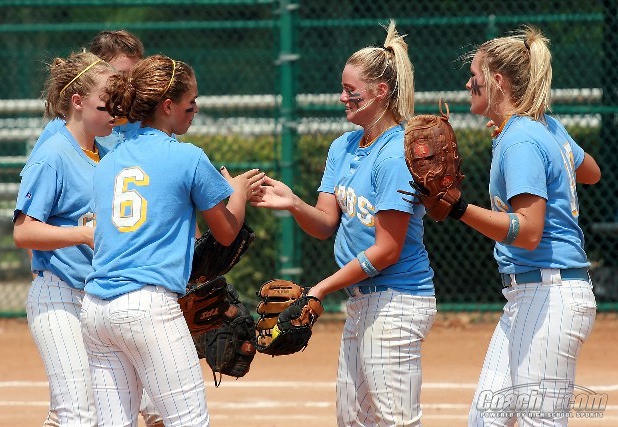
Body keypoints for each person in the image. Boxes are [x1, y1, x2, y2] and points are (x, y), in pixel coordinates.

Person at [250, 21, 436, 426]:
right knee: (352, 418)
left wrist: (319, 289)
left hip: (397, 300)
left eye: (352, 91)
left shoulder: (396, 154)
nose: (342, 98)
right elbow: (324, 223)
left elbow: (387, 251)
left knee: (394, 420)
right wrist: (293, 203)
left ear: (381, 92)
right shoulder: (344, 146)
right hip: (362, 300)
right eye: (343, 89)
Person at [80, 54, 264, 426]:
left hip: (95, 310)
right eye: (190, 103)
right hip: (146, 307)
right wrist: (238, 192)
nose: (195, 110)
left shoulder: (109, 161)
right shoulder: (187, 157)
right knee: (189, 420)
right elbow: (226, 232)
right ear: (167, 106)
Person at [452, 26, 600, 426]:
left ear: (498, 81)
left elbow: (529, 231)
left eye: (475, 76)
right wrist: (553, 151)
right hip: (531, 295)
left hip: (549, 295)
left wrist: (459, 208)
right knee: (486, 418)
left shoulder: (520, 139)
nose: (468, 84)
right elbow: (591, 172)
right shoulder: (544, 126)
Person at [12, 51, 115, 426]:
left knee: (108, 411)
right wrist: (82, 234)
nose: (115, 113)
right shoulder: (53, 156)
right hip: (59, 295)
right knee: (78, 413)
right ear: (77, 102)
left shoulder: (109, 156)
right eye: (105, 105)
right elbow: (23, 231)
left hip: (100, 298)